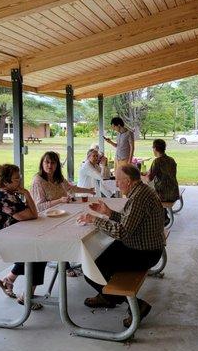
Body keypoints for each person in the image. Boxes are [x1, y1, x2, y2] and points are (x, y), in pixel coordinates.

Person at [77, 165, 165, 328]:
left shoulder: (138, 197)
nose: (116, 184)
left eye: (118, 180)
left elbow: (123, 232)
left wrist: (94, 219)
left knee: (91, 268)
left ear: (129, 181)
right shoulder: (141, 191)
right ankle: (108, 296)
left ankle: (132, 303)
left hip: (145, 252)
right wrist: (109, 213)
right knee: (99, 257)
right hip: (145, 245)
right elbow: (130, 222)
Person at [0, 164, 44, 310]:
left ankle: (9, 280)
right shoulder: (4, 196)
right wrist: (26, 193)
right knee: (39, 252)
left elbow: (31, 214)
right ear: (5, 182)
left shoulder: (2, 193)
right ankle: (27, 296)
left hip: (1, 240)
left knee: (37, 250)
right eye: (16, 178)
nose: (19, 180)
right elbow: (32, 214)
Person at [30, 151, 95, 212]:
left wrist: (89, 190)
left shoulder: (58, 177)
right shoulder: (38, 181)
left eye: (53, 163)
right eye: (47, 162)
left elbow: (70, 188)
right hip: (47, 216)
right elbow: (39, 207)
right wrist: (60, 200)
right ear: (42, 164)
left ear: (57, 165)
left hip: (62, 210)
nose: (50, 165)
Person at [143, 139, 179, 203]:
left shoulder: (157, 161)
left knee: (143, 193)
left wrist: (142, 176)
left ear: (155, 148)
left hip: (163, 195)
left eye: (153, 148)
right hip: (174, 192)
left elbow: (149, 179)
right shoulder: (171, 160)